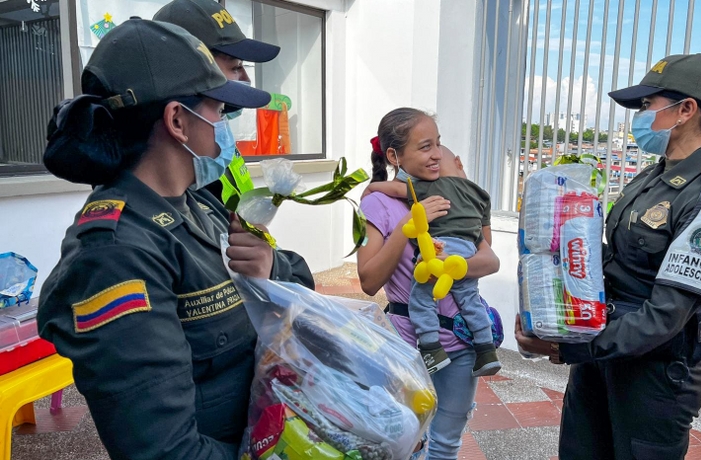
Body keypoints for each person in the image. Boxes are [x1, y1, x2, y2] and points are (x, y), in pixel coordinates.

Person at [38, 19, 311, 459]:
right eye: (219, 111)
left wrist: (269, 268)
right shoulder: (115, 256)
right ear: (178, 120)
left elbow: (299, 283)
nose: (225, 125)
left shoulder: (201, 206)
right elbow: (164, 450)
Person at [515, 53, 701, 459]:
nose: (639, 117)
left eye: (646, 105)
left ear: (686, 110)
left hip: (652, 379)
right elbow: (613, 263)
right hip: (600, 355)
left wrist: (566, 349)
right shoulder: (651, 177)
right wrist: (554, 300)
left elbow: (664, 317)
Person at [357, 107, 500, 459]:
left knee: (447, 442)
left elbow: (489, 259)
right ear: (395, 156)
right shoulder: (376, 204)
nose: (437, 154)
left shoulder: (452, 195)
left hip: (461, 345)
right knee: (402, 442)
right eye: (425, 147)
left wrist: (449, 266)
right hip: (406, 346)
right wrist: (410, 224)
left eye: (438, 143)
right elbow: (368, 280)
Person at [365, 145, 501, 377]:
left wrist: (372, 187)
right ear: (459, 163)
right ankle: (487, 351)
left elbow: (396, 189)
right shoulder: (481, 195)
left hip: (438, 251)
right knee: (471, 300)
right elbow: (486, 240)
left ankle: (431, 348)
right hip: (465, 253)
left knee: (421, 297)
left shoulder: (433, 187)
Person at [154, 0, 280, 203]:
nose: (246, 79)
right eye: (235, 67)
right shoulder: (178, 162)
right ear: (197, 65)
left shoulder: (215, 134)